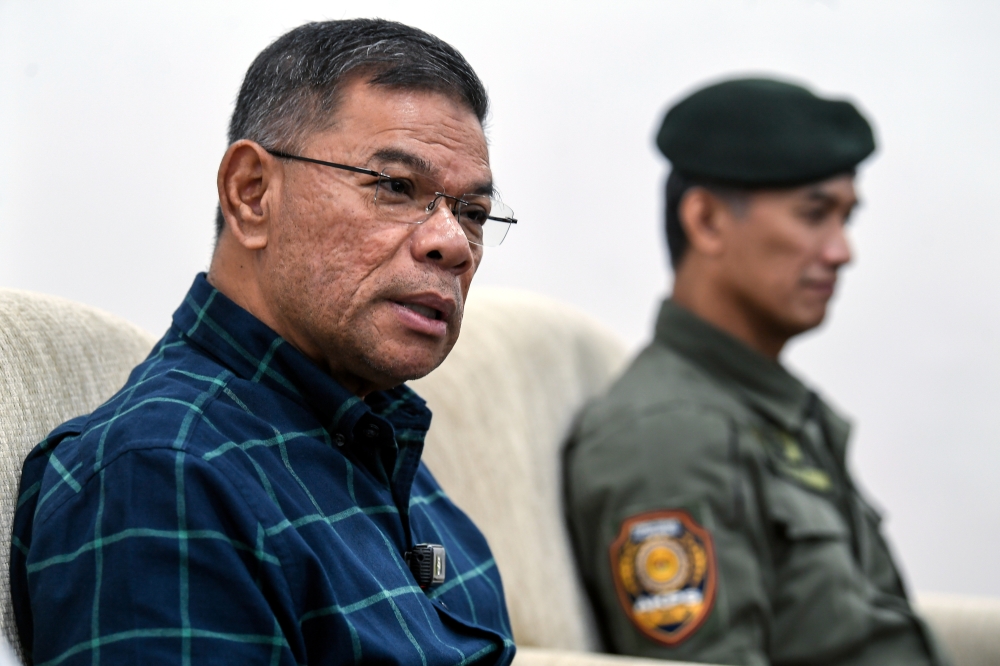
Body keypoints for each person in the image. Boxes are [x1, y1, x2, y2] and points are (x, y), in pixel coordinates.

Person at [11, 19, 518, 665]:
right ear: (251, 194)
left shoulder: (383, 443)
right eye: (395, 187)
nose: (451, 242)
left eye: (472, 212)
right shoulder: (163, 475)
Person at [565, 78, 949, 665]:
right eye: (814, 214)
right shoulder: (669, 436)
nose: (842, 250)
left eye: (846, 217)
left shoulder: (763, 407)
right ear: (707, 221)